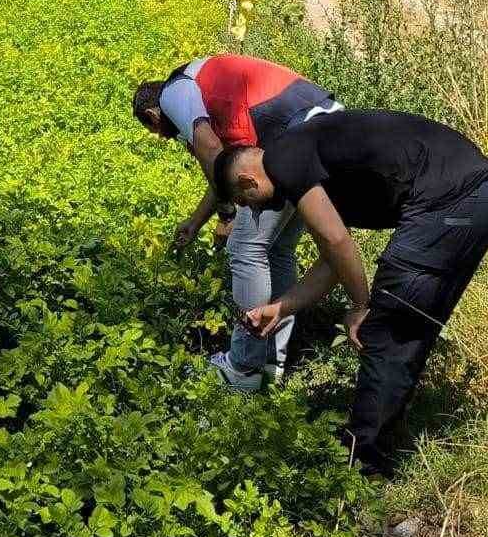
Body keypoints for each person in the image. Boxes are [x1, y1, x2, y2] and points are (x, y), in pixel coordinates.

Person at [212, 109, 488, 478]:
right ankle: (381, 442)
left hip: (451, 204)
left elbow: (339, 241)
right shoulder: (308, 158)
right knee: (406, 326)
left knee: (384, 330)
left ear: (247, 182)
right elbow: (332, 260)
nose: (254, 210)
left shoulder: (284, 159)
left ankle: (358, 467)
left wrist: (360, 306)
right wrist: (281, 307)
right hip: (476, 199)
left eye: (246, 204)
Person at [132, 54, 340, 391]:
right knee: (278, 250)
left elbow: (211, 149)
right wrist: (197, 221)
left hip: (296, 134)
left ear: (154, 115)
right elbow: (229, 170)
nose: (160, 137)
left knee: (245, 248)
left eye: (154, 129)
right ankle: (272, 359)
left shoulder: (173, 93)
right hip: (323, 126)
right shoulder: (206, 94)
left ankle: (243, 368)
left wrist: (228, 216)